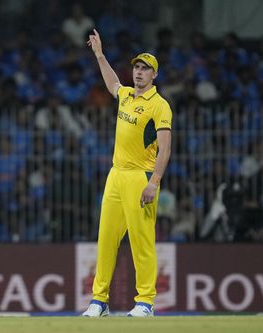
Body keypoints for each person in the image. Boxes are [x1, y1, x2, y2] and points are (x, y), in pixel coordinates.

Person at [82, 30, 172, 317]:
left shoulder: (160, 105)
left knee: (141, 242)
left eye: (145, 69)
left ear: (154, 75)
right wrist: (99, 54)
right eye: (136, 67)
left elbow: (165, 150)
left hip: (140, 177)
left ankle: (145, 302)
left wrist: (154, 182)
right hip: (116, 175)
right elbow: (112, 83)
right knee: (106, 239)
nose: (139, 72)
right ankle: (99, 301)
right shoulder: (126, 96)